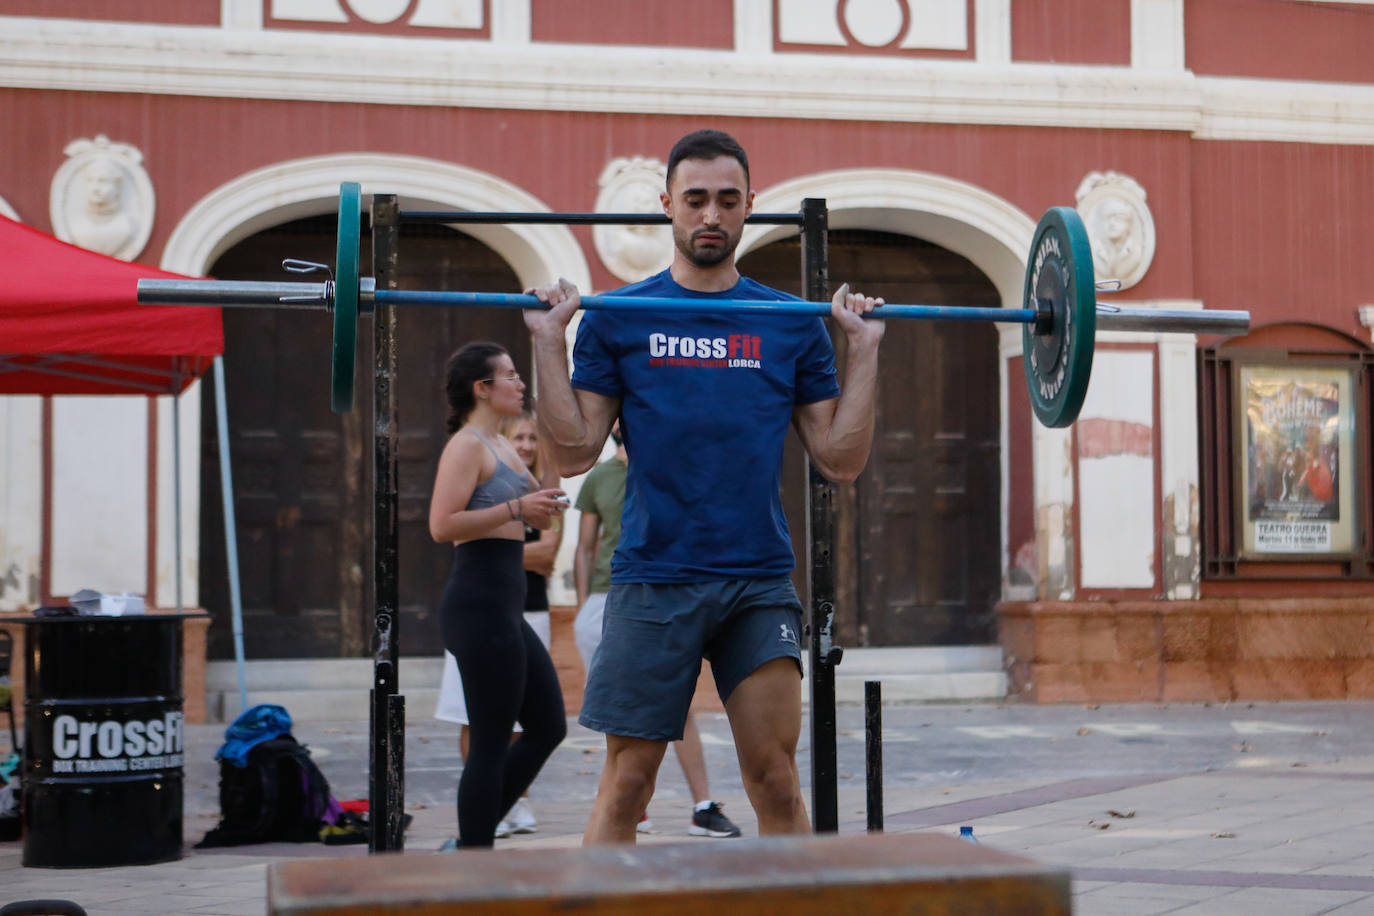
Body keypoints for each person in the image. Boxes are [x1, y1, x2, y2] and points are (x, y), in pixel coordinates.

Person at [525, 129, 884, 845]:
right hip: (655, 578)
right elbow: (571, 454)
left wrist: (864, 351)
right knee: (627, 784)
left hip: (756, 580)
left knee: (777, 781)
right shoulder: (620, 317)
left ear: (751, 205)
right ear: (668, 206)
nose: (711, 215)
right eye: (696, 200)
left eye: (727, 199)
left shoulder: (791, 324)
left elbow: (840, 460)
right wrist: (545, 342)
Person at [428, 343, 569, 848]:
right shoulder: (466, 445)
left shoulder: (503, 445)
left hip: (508, 608)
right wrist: (517, 507)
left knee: (549, 727)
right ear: (481, 389)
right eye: (510, 376)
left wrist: (544, 499)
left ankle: (473, 838)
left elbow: (538, 504)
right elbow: (442, 525)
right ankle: (474, 854)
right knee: (489, 742)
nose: (520, 383)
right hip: (479, 605)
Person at [574, 423, 742, 838]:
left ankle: (699, 806)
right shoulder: (598, 477)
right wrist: (583, 607)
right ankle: (634, 808)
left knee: (679, 710)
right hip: (609, 600)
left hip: (663, 597)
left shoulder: (669, 466)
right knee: (624, 722)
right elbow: (585, 546)